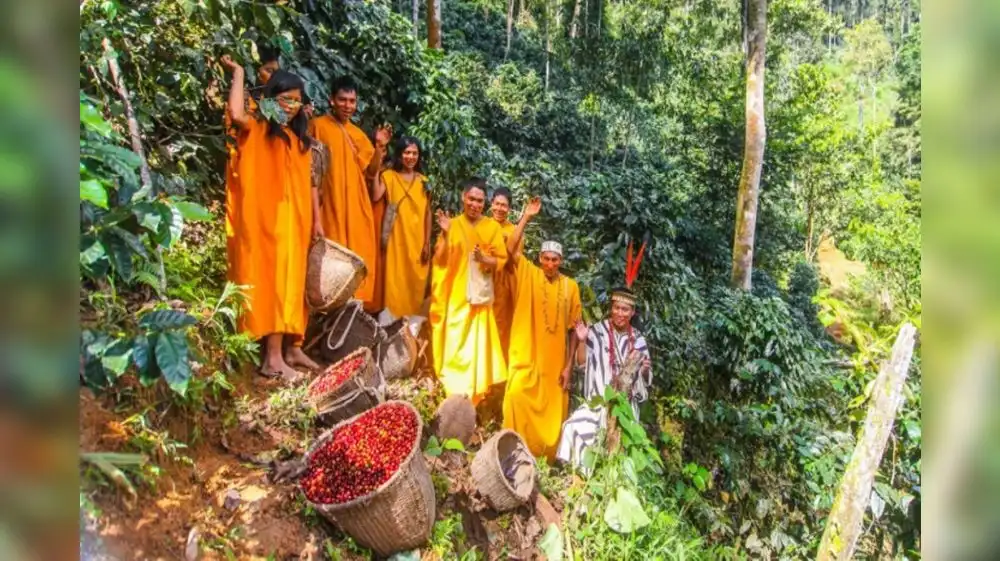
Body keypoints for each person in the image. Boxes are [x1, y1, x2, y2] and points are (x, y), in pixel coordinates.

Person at [221, 56, 322, 381]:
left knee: (290, 286)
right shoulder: (260, 127)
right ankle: (272, 360)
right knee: (273, 285)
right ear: (268, 100)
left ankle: (289, 349)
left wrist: (315, 223)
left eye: (296, 101)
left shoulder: (297, 141)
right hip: (265, 224)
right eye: (284, 100)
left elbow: (307, 186)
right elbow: (236, 114)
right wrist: (238, 73)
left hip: (293, 226)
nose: (291, 107)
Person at [556, 242, 652, 471]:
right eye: (617, 308)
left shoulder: (638, 340)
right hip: (597, 403)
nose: (620, 313)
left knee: (622, 447)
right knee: (573, 428)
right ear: (612, 307)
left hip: (624, 407)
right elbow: (582, 364)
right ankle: (578, 481)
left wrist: (645, 369)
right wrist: (580, 339)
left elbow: (645, 380)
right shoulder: (598, 330)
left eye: (625, 310)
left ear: (632, 312)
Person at [501, 197, 583, 459]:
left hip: (554, 365)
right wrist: (525, 217)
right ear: (539, 258)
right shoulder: (528, 272)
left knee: (551, 417)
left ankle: (543, 459)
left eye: (555, 260)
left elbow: (574, 331)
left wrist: (569, 366)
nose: (550, 264)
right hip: (526, 359)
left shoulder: (571, 287)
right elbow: (510, 248)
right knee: (516, 397)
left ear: (561, 261)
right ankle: (512, 449)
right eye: (546, 259)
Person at [309, 76, 390, 311]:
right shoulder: (318, 126)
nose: (347, 106)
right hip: (329, 203)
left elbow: (371, 172)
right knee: (327, 264)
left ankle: (349, 324)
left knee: (356, 259)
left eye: (352, 101)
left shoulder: (357, 133)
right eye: (342, 100)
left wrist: (379, 148)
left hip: (355, 206)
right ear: (331, 100)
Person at [429, 178, 508, 405]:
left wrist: (485, 259)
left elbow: (501, 261)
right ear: (464, 197)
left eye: (480, 201)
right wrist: (444, 234)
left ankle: (472, 400)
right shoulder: (452, 224)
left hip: (478, 301)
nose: (475, 204)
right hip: (455, 298)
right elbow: (440, 259)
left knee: (476, 352)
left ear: (485, 203)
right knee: (454, 346)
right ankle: (454, 396)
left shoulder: (492, 227)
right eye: (471, 199)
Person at [374, 135, 431, 319]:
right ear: (399, 155)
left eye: (415, 153)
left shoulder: (424, 181)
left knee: (415, 285)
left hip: (417, 241)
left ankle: (411, 333)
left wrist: (427, 242)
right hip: (396, 242)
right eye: (407, 152)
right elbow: (375, 196)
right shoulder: (389, 176)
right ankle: (390, 330)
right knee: (394, 284)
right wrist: (377, 170)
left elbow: (428, 212)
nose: (411, 157)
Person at [490, 187, 520, 362]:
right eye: (497, 204)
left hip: (503, 284)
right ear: (491, 204)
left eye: (504, 205)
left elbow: (516, 260)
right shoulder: (483, 223)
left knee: (501, 327)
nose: (500, 209)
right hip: (483, 281)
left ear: (509, 209)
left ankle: (500, 373)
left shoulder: (514, 230)